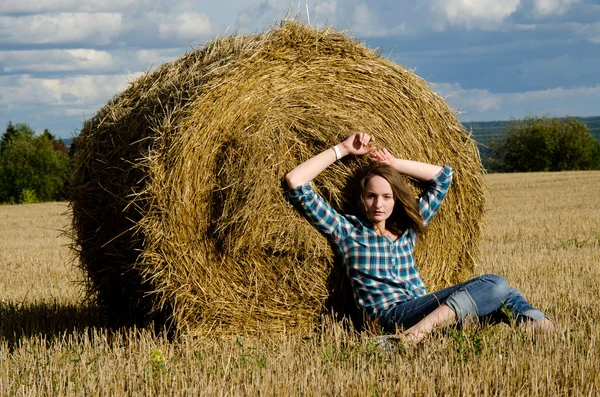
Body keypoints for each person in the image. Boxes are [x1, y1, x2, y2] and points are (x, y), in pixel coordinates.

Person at [285, 132, 553, 344]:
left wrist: (392, 164)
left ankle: (544, 329)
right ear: (361, 198)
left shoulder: (407, 228)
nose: (379, 204)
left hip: (426, 311)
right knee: (495, 284)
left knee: (503, 292)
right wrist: (342, 150)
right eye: (371, 196)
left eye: (387, 196)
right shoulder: (347, 231)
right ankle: (414, 336)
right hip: (390, 317)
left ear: (396, 199)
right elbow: (296, 181)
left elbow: (443, 177)